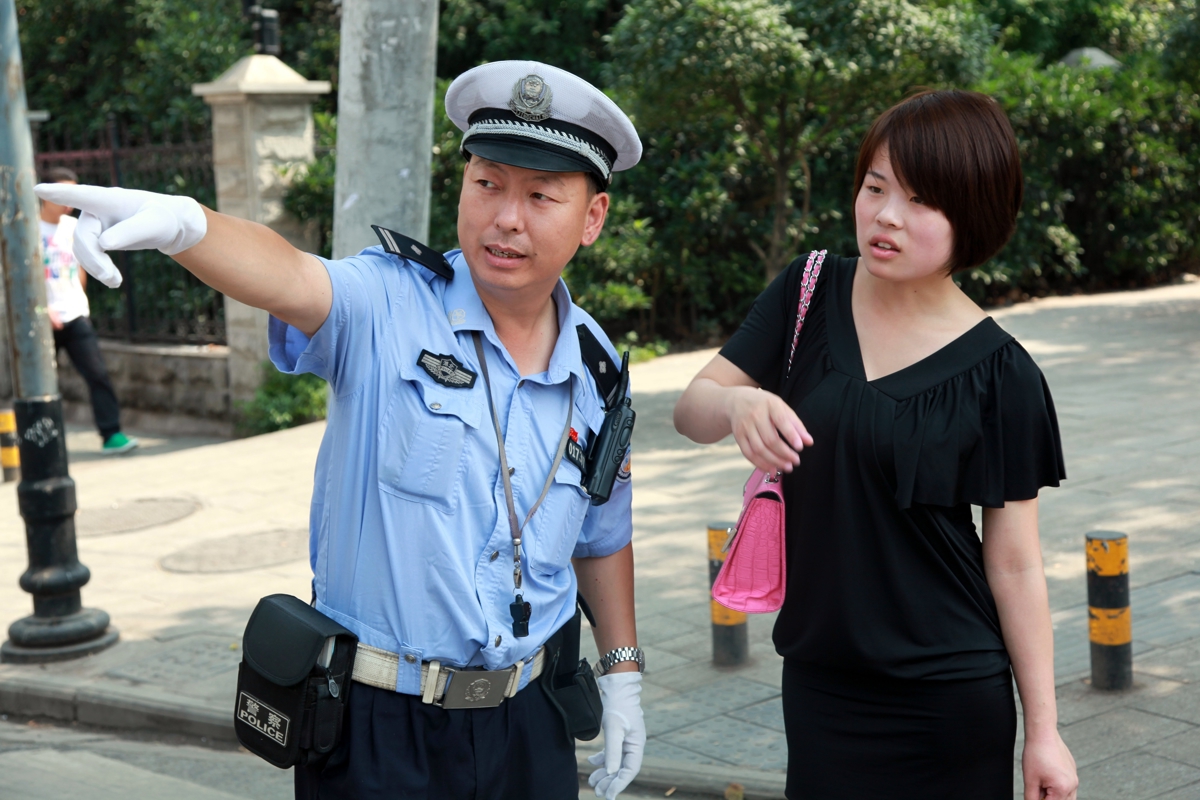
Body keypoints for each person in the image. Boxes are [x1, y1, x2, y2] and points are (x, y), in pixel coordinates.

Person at [36, 61, 647, 800]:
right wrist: (187, 226)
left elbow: (602, 534)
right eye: (487, 183)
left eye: (540, 195)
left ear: (592, 217)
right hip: (380, 730)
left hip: (531, 724)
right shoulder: (388, 302)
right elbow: (291, 275)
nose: (506, 218)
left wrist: (623, 674)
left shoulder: (596, 370)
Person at [674, 90, 1079, 800]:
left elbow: (1015, 564)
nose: (887, 215)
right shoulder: (807, 292)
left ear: (973, 216)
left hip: (950, 695)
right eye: (875, 187)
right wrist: (737, 402)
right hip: (820, 684)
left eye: (921, 201)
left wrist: (1044, 731)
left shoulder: (1002, 373)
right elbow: (690, 410)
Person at [38, 166, 138, 455]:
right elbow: (21, 275)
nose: (69, 202)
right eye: (63, 194)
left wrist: (81, 301)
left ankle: (111, 435)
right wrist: (42, 309)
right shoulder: (29, 228)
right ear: (46, 195)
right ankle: (39, 443)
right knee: (40, 385)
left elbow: (80, 266)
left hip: (74, 314)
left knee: (98, 374)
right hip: (41, 319)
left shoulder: (73, 227)